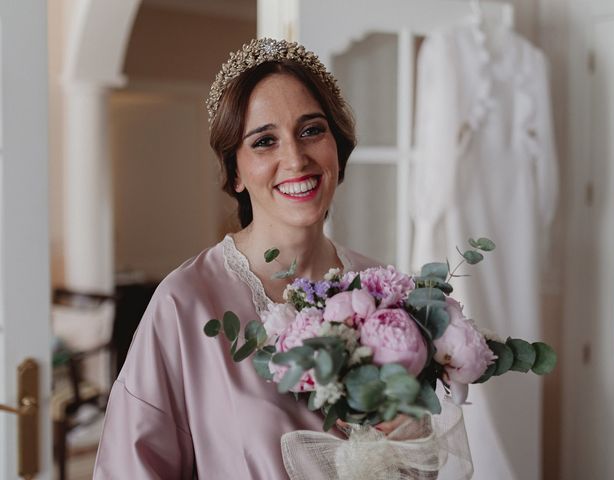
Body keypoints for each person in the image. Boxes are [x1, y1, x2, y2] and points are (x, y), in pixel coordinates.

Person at [93, 38, 407, 479]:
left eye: (312, 130)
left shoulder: (385, 295)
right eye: (264, 141)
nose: (295, 159)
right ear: (235, 171)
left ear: (337, 143)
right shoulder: (185, 304)